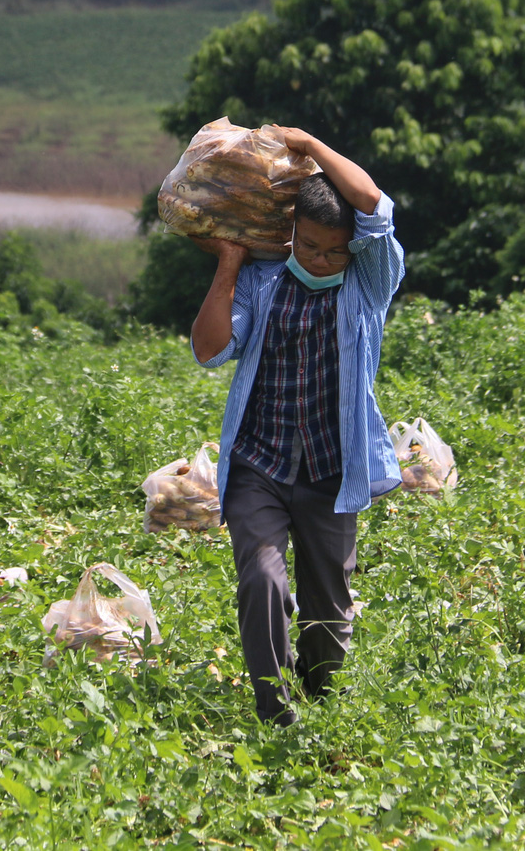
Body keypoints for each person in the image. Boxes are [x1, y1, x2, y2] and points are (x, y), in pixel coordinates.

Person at [190, 128, 404, 725]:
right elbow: (208, 351)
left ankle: (321, 696)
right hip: (260, 464)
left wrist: (309, 145)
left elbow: (371, 204)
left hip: (332, 474)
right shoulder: (264, 283)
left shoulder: (367, 284)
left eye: (334, 251)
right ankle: (274, 712)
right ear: (291, 237)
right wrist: (229, 265)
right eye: (309, 247)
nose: (321, 260)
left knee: (328, 616)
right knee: (261, 578)